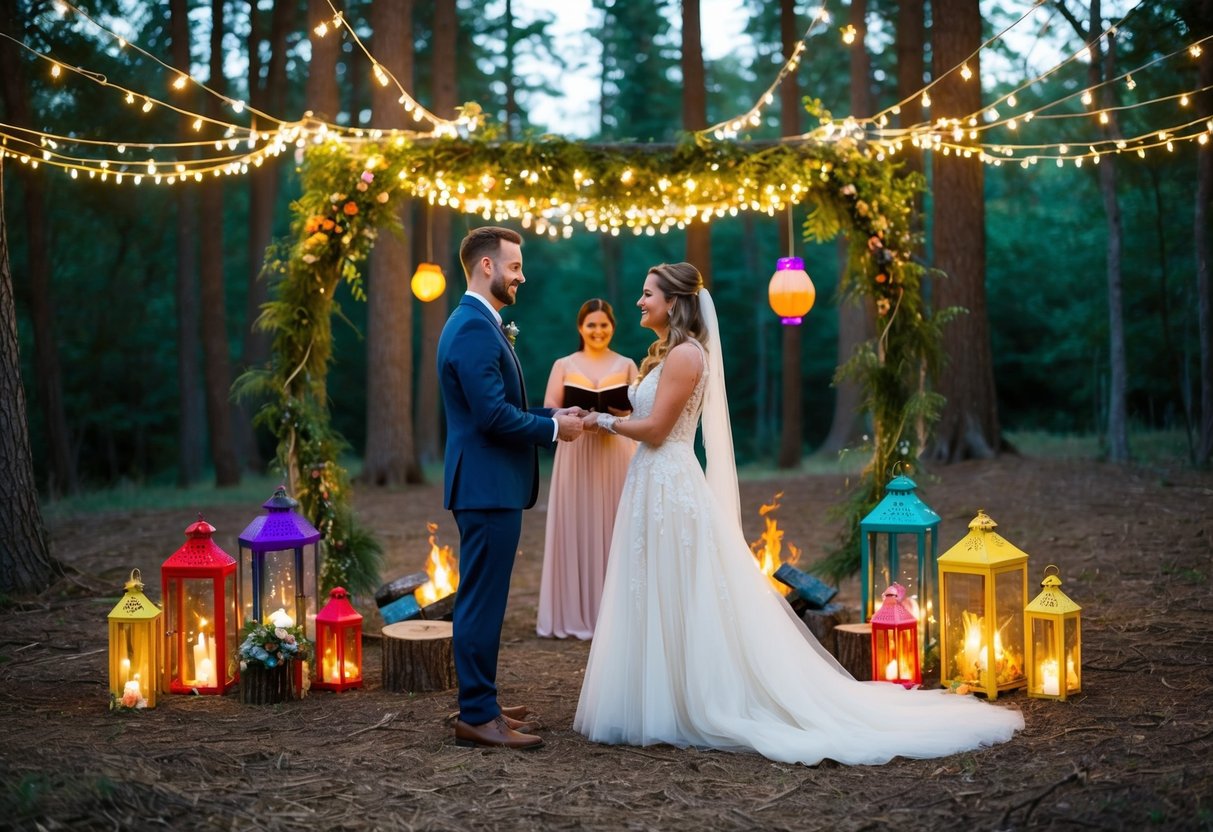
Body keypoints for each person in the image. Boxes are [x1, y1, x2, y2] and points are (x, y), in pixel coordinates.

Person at [574, 263, 1024, 766]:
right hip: (651, 482)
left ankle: (694, 699)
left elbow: (656, 430)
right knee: (654, 584)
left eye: (646, 293)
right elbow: (647, 422)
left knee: (683, 585)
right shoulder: (663, 356)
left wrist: (598, 422)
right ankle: (658, 697)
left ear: (674, 302)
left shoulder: (685, 355)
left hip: (670, 480)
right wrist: (603, 419)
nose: (639, 302)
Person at [437, 226, 585, 751]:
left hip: (488, 485)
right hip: (486, 487)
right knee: (481, 602)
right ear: (486, 267)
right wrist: (552, 431)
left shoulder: (478, 323)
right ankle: (477, 715)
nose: (522, 275)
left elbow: (500, 407)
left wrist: (551, 414)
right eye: (515, 266)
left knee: (486, 599)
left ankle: (484, 701)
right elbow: (492, 417)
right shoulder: (474, 328)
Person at [537, 300, 638, 639]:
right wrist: (571, 411)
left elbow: (641, 411)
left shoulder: (627, 365)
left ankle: (616, 612)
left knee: (614, 524)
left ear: (613, 326)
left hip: (615, 452)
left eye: (604, 325)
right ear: (580, 328)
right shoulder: (563, 364)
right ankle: (573, 611)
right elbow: (549, 407)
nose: (598, 331)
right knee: (576, 522)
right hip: (576, 451)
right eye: (591, 325)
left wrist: (615, 414)